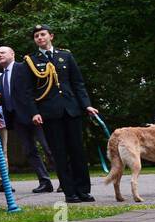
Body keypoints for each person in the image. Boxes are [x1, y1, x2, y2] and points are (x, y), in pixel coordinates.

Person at [18, 24, 99, 202]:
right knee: (59, 153)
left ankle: (83, 190)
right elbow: (27, 91)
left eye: (43, 34)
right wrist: (34, 112)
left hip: (71, 110)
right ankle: (70, 192)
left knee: (78, 151)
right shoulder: (31, 61)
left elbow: (78, 83)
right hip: (49, 112)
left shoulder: (65, 56)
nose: (40, 38)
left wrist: (86, 105)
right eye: (36, 36)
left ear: (51, 36)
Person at [0, 44, 54, 193]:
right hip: (16, 119)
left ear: (12, 54)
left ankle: (66, 180)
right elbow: (10, 98)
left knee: (49, 148)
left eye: (2, 52)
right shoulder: (1, 78)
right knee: (30, 151)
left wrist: (35, 112)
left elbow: (31, 91)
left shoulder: (23, 68)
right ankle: (44, 181)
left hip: (33, 115)